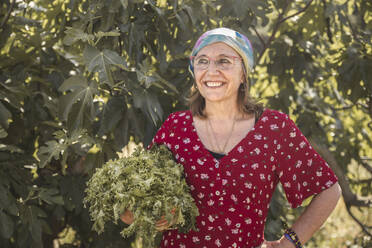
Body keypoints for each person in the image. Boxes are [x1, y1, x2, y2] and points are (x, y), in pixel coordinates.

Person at [121, 27, 341, 248]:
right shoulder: (175, 127)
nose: (211, 70)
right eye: (202, 61)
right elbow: (134, 205)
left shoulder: (274, 129)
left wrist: (289, 242)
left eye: (224, 61)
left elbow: (329, 189)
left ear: (243, 72)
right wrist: (141, 214)